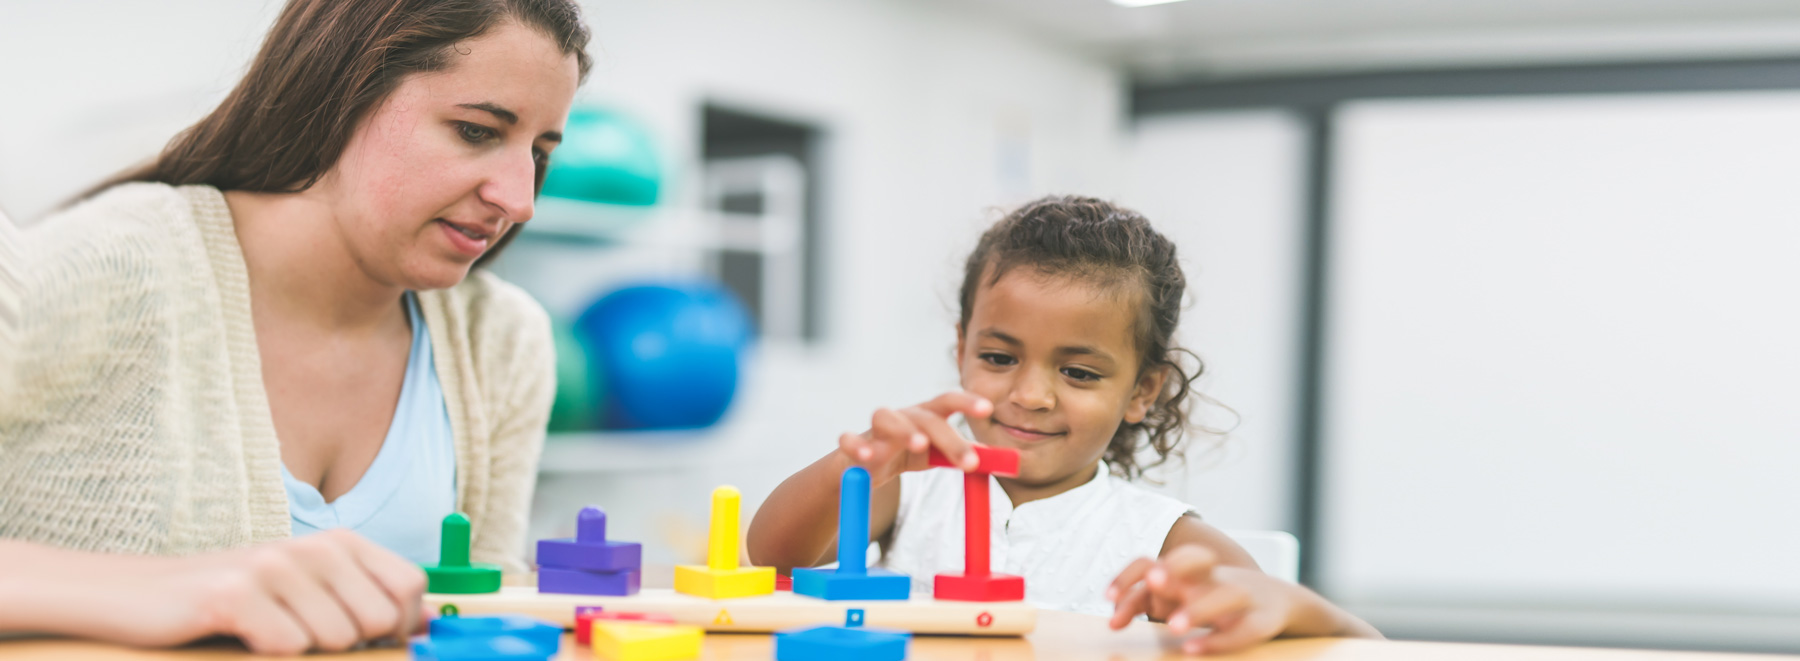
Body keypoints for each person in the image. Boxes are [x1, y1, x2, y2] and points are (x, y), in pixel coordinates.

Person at [0, 0, 590, 653]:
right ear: (344, 90)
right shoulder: (99, 266)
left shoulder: (503, 344)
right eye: (476, 131)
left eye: (538, 152)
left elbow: (478, 626)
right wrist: (173, 588)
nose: (520, 199)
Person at [748, 196, 1381, 654]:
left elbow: (1371, 649)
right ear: (961, 349)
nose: (1030, 395)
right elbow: (773, 554)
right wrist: (857, 464)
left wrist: (1291, 605)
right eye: (999, 359)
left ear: (1142, 390)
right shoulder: (908, 487)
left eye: (1078, 373)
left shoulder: (1164, 542)